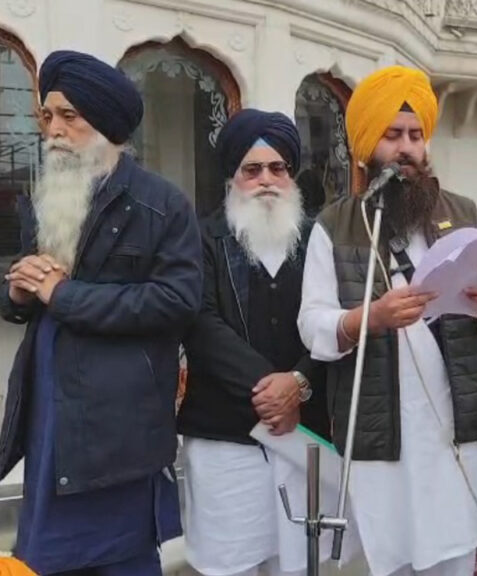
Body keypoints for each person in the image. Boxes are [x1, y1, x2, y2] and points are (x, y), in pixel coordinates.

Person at [297, 65, 477, 576]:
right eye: (393, 135)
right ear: (366, 146)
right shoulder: (335, 226)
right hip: (381, 441)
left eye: (416, 136)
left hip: (454, 432)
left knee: (455, 557)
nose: (407, 148)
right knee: (390, 558)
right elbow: (312, 324)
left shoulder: (464, 214)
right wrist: (369, 318)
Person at [0, 50, 202, 575]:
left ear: (106, 122)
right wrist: (17, 295)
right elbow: (27, 291)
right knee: (48, 557)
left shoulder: (163, 204)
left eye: (70, 116)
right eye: (48, 116)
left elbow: (177, 300)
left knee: (120, 557)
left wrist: (63, 296)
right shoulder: (46, 197)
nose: (54, 130)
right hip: (50, 408)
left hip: (121, 424)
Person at [177, 109, 332, 576]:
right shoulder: (202, 239)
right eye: (253, 169)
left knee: (296, 563)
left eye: (278, 168)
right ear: (233, 178)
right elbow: (200, 324)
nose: (266, 180)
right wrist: (274, 389)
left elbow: (335, 323)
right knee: (231, 564)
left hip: (301, 435)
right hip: (227, 441)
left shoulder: (319, 239)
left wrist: (299, 383)